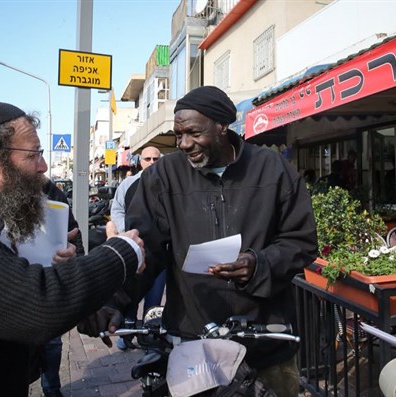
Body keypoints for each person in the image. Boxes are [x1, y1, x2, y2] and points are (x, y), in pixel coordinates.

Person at [82, 86, 318, 395]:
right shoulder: (163, 176)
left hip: (265, 339)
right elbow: (145, 251)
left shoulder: (272, 169)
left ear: (222, 127)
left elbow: (301, 241)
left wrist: (258, 265)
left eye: (193, 132)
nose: (184, 144)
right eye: (178, 135)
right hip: (192, 342)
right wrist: (112, 300)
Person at [0, 101, 144, 396]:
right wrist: (122, 251)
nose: (43, 167)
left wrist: (62, 276)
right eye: (33, 155)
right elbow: (39, 304)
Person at [109, 145, 165, 351]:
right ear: (140, 161)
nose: (151, 162)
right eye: (147, 159)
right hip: (133, 251)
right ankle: (126, 334)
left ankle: (151, 338)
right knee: (131, 296)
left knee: (154, 300)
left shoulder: (167, 183)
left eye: (155, 159)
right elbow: (117, 209)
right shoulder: (128, 184)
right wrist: (128, 234)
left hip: (160, 253)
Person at [38, 179, 86, 397]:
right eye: (32, 157)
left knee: (52, 343)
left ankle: (52, 389)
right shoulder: (1, 192)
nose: (41, 166)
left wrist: (80, 265)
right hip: (16, 283)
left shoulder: (54, 194)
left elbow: (73, 232)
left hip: (50, 282)